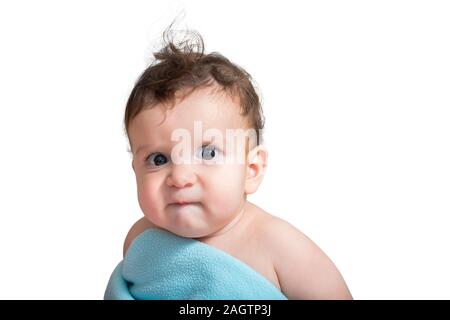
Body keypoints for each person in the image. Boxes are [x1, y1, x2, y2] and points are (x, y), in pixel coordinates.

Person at [121, 26, 352, 300]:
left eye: (208, 154)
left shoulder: (281, 247)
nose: (180, 177)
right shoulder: (141, 240)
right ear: (136, 170)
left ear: (251, 170)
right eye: (158, 159)